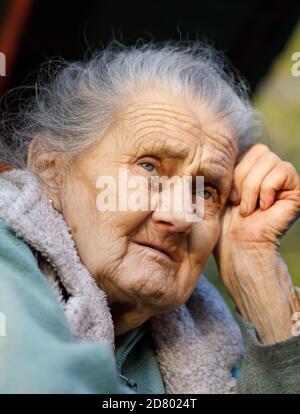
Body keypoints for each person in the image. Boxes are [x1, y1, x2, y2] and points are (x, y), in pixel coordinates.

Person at [0, 43, 299, 394]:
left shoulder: (202, 346)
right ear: (52, 168)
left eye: (206, 192)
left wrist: (260, 279)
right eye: (149, 166)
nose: (181, 216)